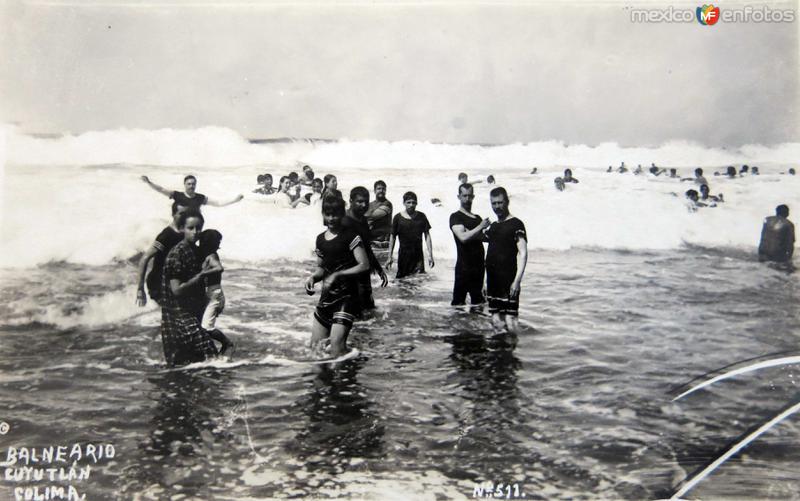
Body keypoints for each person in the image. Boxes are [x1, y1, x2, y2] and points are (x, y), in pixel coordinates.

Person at [305, 196, 370, 358]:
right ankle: (329, 379)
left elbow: (364, 265)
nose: (331, 218)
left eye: (335, 214)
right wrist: (313, 278)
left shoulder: (350, 236)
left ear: (342, 215)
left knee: (336, 348)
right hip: (326, 297)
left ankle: (349, 372)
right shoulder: (320, 239)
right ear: (323, 215)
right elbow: (321, 268)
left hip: (346, 296)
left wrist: (338, 274)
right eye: (328, 214)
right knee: (316, 348)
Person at [160, 209, 222, 366]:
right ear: (181, 229)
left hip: (193, 312)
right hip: (177, 316)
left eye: (199, 228)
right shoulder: (176, 254)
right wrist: (201, 275)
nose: (195, 232)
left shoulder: (196, 250)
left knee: (196, 365)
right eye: (191, 228)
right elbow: (177, 290)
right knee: (209, 357)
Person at [485, 187, 528, 333]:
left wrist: (517, 281)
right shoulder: (493, 226)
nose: (497, 206)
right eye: (494, 203)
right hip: (492, 281)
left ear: (507, 202)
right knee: (496, 320)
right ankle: (498, 353)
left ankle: (511, 353)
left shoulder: (517, 224)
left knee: (511, 321)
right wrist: (485, 281)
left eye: (500, 202)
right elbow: (490, 254)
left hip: (509, 281)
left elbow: (523, 254)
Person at [342, 187, 389, 311]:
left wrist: (379, 270)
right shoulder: (344, 222)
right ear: (351, 201)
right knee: (352, 314)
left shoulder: (362, 220)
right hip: (349, 277)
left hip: (363, 275)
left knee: (368, 313)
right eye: (360, 202)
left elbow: (367, 248)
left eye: (366, 202)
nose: (364, 205)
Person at [136, 202, 186, 307]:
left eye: (186, 213)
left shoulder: (184, 232)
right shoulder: (166, 235)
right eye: (181, 213)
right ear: (173, 214)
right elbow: (144, 259)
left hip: (172, 282)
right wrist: (140, 289)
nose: (184, 216)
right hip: (158, 283)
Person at [449, 183, 490, 306]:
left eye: (470, 196)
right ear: (459, 197)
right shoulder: (455, 216)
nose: (467, 199)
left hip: (478, 267)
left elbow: (485, 238)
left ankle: (474, 326)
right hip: (464, 267)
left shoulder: (477, 218)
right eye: (464, 196)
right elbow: (463, 238)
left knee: (478, 304)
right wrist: (481, 227)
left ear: (473, 197)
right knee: (458, 305)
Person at [198, 229, 234, 354]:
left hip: (213, 293)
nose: (219, 245)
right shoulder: (206, 254)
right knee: (202, 325)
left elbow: (219, 268)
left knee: (207, 327)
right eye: (218, 241)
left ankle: (227, 343)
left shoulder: (212, 255)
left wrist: (202, 274)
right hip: (211, 292)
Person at [386, 191, 434, 278]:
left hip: (418, 257)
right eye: (408, 202)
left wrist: (430, 255)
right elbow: (392, 237)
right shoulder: (397, 218)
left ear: (417, 203)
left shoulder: (421, 216)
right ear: (404, 203)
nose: (411, 205)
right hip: (403, 257)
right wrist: (389, 257)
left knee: (418, 283)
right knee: (403, 283)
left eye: (414, 202)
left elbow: (427, 236)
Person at [141, 175, 244, 211]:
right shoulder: (177, 195)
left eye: (193, 184)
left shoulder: (200, 198)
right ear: (184, 185)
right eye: (189, 184)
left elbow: (218, 203)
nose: (191, 186)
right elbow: (161, 189)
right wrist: (149, 182)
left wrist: (235, 200)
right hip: (178, 226)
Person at [365, 180, 393, 247]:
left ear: (385, 190)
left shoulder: (387, 204)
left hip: (383, 241)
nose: (381, 190)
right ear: (374, 191)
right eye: (379, 189)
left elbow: (373, 216)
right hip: (370, 240)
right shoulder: (370, 204)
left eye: (383, 189)